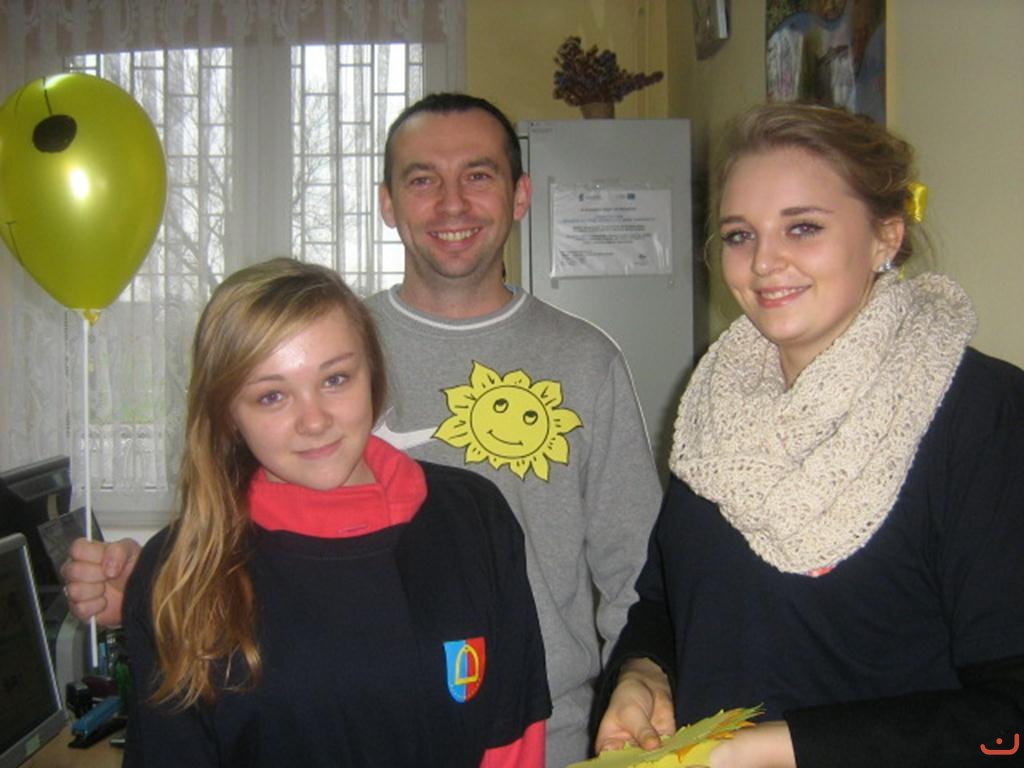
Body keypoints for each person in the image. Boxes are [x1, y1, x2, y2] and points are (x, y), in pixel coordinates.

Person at [63, 93, 663, 767]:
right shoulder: (321, 343)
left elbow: (639, 575)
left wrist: (642, 691)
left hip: (540, 740)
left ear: (520, 194)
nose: (452, 203)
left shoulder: (587, 360)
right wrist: (164, 589)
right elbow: (255, 524)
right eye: (422, 179)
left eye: (478, 174)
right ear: (387, 203)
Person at [592, 102, 1024, 767]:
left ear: (886, 236)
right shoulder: (713, 411)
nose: (765, 262)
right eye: (740, 235)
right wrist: (643, 676)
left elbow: (1008, 715)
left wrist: (772, 749)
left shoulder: (986, 416)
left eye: (803, 227)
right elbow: (666, 603)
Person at [117, 257, 550, 767]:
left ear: (373, 377)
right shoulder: (178, 573)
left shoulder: (474, 517)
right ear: (229, 415)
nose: (314, 421)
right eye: (272, 396)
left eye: (335, 379)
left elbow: (512, 735)